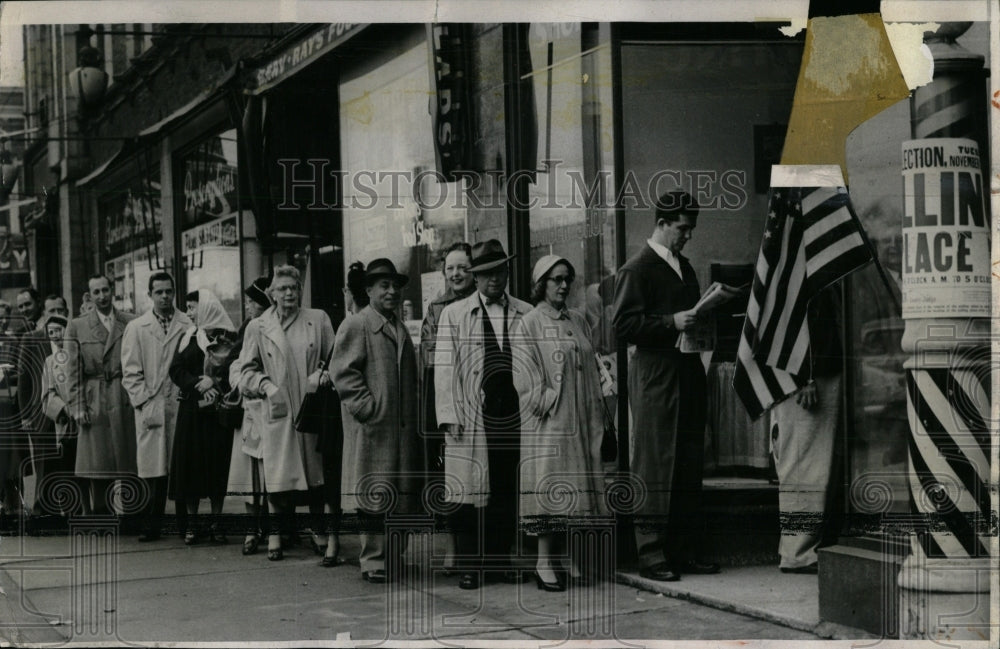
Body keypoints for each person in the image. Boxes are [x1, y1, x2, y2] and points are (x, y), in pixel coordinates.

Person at [612, 190, 719, 582]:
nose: (687, 235)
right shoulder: (637, 269)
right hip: (656, 375)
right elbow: (623, 326)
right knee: (656, 462)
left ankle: (683, 549)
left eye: (691, 228)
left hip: (687, 371)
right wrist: (672, 322)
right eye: (682, 228)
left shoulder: (684, 267)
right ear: (661, 224)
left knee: (689, 462)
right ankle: (651, 552)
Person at [434, 239, 533, 590]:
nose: (494, 279)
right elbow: (444, 369)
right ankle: (471, 565)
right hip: (473, 412)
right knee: (469, 493)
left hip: (514, 412)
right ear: (475, 277)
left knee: (506, 487)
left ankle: (500, 560)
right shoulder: (455, 314)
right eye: (487, 273)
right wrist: (448, 414)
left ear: (508, 272)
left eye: (500, 271)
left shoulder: (525, 311)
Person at [513, 255, 609, 591]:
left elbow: (591, 362)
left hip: (582, 416)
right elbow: (524, 377)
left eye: (568, 278)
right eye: (556, 279)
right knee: (551, 485)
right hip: (551, 420)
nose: (564, 285)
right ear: (542, 284)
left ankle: (568, 557)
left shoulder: (579, 320)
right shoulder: (530, 323)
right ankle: (543, 562)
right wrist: (547, 402)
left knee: (577, 484)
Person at [332, 258, 423, 584]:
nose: (392, 291)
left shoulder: (399, 328)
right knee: (372, 496)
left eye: (395, 286)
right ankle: (373, 559)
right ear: (368, 290)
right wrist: (368, 409)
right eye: (383, 285)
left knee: (400, 495)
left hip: (400, 431)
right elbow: (342, 373)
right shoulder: (357, 325)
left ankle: (394, 557)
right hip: (374, 429)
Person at [235, 265, 334, 561]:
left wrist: (324, 374)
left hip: (311, 408)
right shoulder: (258, 326)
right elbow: (244, 370)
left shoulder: (317, 320)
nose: (288, 293)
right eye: (282, 289)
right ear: (272, 294)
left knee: (316, 475)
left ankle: (318, 529)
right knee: (277, 476)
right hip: (276, 410)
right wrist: (265, 386)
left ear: (301, 289)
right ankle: (276, 533)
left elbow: (334, 357)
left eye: (293, 287)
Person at [772, 284, 843, 574]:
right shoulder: (798, 265)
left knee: (808, 463)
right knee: (805, 463)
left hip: (813, 372)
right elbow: (786, 323)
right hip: (809, 377)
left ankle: (798, 549)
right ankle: (797, 553)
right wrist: (804, 376)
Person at [121, 272, 193, 541]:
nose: (165, 297)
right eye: (159, 292)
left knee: (182, 464)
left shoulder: (187, 323)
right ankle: (153, 524)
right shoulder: (137, 327)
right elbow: (130, 371)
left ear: (175, 293)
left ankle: (186, 523)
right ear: (150, 295)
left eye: (169, 291)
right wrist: (144, 401)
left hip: (180, 402)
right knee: (155, 469)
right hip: (152, 403)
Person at [419, 242, 476, 575]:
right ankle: (453, 548)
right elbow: (431, 362)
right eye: (450, 268)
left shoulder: (483, 302)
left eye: (463, 268)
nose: (456, 274)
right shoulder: (437, 309)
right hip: (447, 399)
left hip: (482, 399)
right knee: (449, 476)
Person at [64, 274, 137, 516]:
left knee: (129, 457)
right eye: (96, 292)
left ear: (112, 290)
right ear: (89, 296)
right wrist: (77, 405)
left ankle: (133, 511)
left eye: (105, 290)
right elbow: (72, 371)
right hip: (94, 395)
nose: (102, 296)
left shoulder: (130, 322)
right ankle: (101, 511)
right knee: (99, 460)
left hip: (124, 393)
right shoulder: (77, 325)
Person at [168, 289, 237, 544]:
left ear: (206, 307)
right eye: (187, 307)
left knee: (216, 466)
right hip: (192, 410)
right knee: (191, 467)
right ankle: (193, 524)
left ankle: (217, 522)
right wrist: (197, 381)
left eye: (193, 307)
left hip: (217, 411)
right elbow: (175, 369)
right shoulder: (189, 336)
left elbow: (234, 367)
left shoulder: (229, 337)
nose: (189, 312)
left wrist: (215, 380)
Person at [226, 276, 272, 556]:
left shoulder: (282, 324)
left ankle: (275, 528)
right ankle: (250, 528)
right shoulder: (250, 327)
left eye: (253, 301)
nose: (249, 306)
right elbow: (236, 363)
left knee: (274, 473)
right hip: (254, 408)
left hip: (276, 408)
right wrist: (242, 383)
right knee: (251, 474)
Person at [18, 293, 73, 517]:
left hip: (66, 414)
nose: (56, 315)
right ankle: (38, 509)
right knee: (41, 462)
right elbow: (23, 380)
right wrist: (25, 416)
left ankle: (66, 509)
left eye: (60, 311)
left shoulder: (72, 337)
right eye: (51, 311)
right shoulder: (32, 339)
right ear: (44, 313)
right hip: (40, 413)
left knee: (65, 463)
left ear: (67, 313)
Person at [39, 313, 88, 515]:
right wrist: (64, 408)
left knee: (89, 466)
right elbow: (47, 394)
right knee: (68, 467)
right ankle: (73, 511)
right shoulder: (50, 362)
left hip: (85, 416)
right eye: (51, 333)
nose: (55, 336)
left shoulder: (81, 354)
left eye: (58, 330)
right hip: (66, 423)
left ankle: (95, 509)